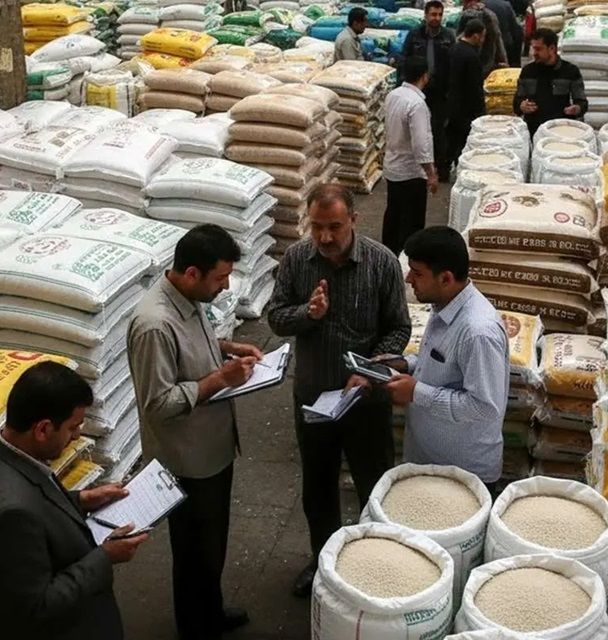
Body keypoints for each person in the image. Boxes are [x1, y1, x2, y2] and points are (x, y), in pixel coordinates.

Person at [267, 183, 411, 598]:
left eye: (334, 227)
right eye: (317, 227)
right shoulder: (297, 259)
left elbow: (399, 327)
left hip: (365, 400)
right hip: (313, 397)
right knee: (318, 485)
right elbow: (276, 317)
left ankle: (375, 565)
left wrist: (370, 371)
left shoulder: (381, 263)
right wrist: (307, 314)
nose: (326, 237)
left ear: (353, 220)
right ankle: (323, 561)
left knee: (373, 483)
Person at [127, 224, 263, 640]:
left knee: (211, 547)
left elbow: (195, 343)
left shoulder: (189, 299)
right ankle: (196, 627)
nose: (225, 287)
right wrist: (220, 379)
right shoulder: (154, 324)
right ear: (191, 273)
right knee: (193, 554)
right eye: (220, 278)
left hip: (212, 448)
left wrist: (227, 348)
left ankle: (211, 609)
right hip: (187, 461)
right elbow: (159, 404)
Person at [0, 362, 149, 640]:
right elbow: (38, 605)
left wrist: (82, 500)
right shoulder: (12, 514)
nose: (76, 435)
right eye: (73, 427)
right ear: (43, 429)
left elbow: (38, 507)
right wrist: (105, 556)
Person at [382, 227, 509, 495]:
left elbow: (484, 406)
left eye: (417, 273)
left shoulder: (477, 332)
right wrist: (407, 365)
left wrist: (416, 392)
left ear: (446, 278)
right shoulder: (444, 305)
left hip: (462, 475)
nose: (408, 279)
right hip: (430, 461)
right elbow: (445, 365)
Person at [382, 57, 438, 257]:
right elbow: (421, 144)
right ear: (425, 76)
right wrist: (431, 174)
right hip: (411, 173)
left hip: (392, 168)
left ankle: (387, 257)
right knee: (410, 224)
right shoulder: (417, 104)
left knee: (393, 217)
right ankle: (406, 262)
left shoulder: (393, 95)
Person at [401, 1, 456, 181]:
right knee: (418, 129)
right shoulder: (414, 36)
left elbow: (452, 63)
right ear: (425, 16)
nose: (437, 18)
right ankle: (418, 169)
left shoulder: (448, 36)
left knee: (439, 131)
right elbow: (405, 60)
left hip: (439, 91)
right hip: (418, 89)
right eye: (433, 14)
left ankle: (441, 169)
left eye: (440, 14)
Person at [513, 28, 589, 136]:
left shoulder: (570, 71)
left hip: (561, 131)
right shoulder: (527, 71)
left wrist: (576, 109)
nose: (534, 53)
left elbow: (582, 103)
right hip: (533, 131)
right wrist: (522, 106)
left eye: (538, 49)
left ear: (552, 48)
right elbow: (516, 102)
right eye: (533, 48)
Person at [447, 19, 487, 170]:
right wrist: (481, 110)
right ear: (476, 35)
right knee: (464, 141)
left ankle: (444, 169)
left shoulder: (453, 49)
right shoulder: (471, 56)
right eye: (482, 36)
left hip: (451, 104)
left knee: (451, 139)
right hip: (467, 107)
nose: (483, 40)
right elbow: (475, 86)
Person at [457, 0, 508, 75]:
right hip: (487, 64)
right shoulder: (490, 14)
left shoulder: (465, 15)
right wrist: (504, 61)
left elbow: (458, 39)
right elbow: (498, 39)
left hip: (468, 64)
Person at [485, 0, 523, 67]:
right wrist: (516, 60)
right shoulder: (505, 5)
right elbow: (516, 31)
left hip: (486, 48)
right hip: (506, 46)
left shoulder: (480, 6)